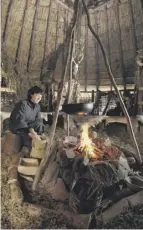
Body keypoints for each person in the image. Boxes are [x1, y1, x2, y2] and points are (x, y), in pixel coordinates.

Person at [10, 86, 44, 156]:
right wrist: (30, 131)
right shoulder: (23, 104)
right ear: (31, 94)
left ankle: (38, 139)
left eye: (41, 97)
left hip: (29, 125)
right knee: (25, 134)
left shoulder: (37, 106)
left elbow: (38, 119)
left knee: (39, 123)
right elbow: (20, 120)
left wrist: (33, 131)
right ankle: (27, 147)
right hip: (18, 125)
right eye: (38, 96)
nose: (39, 98)